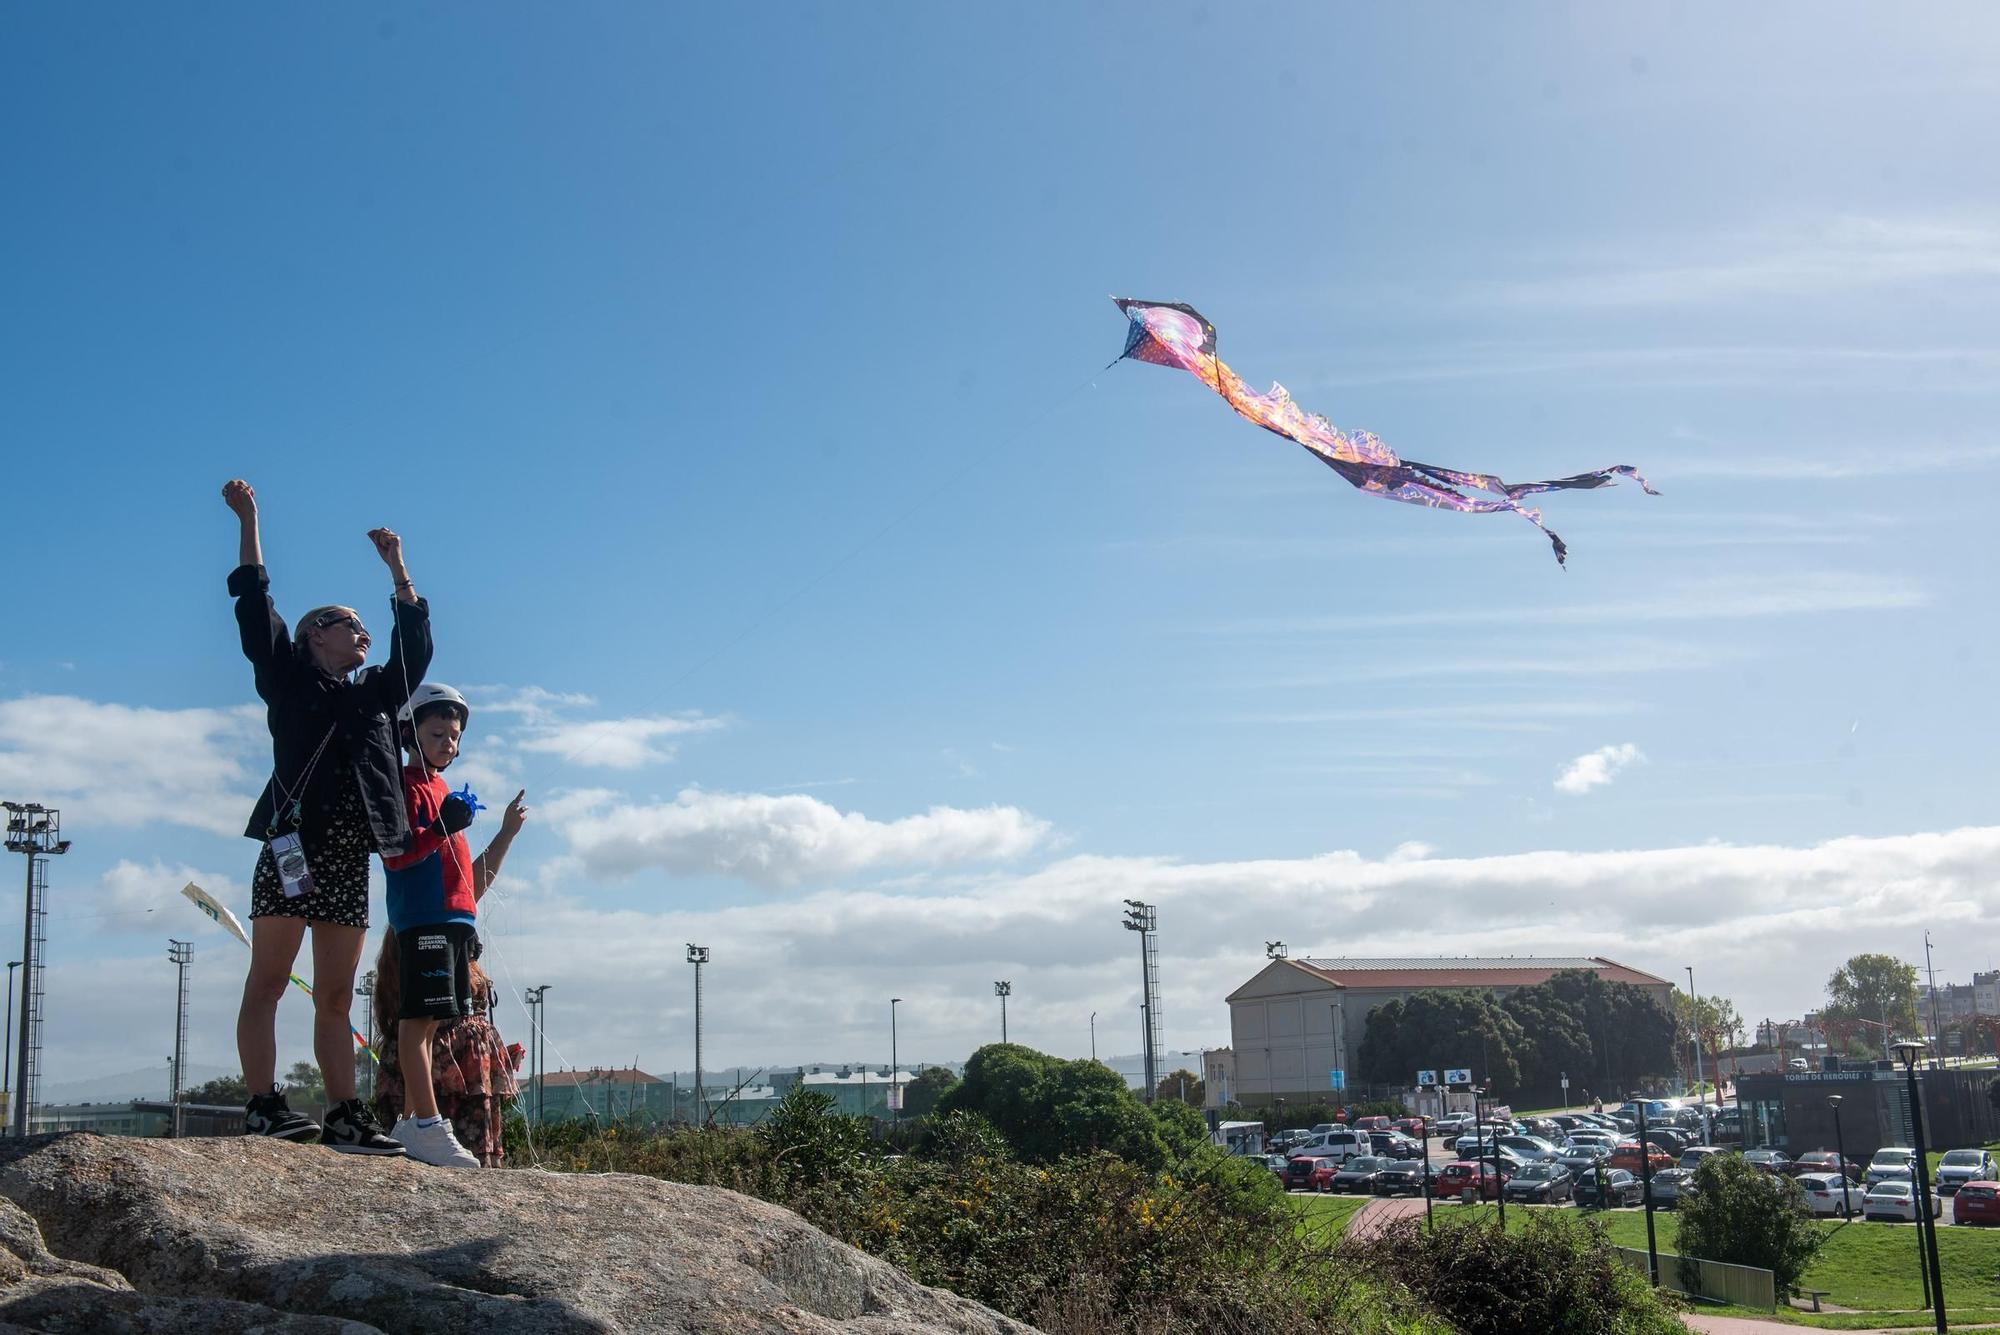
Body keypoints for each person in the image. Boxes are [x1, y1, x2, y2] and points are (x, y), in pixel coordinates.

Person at [224, 479, 427, 1153]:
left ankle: (345, 1115)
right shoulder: (287, 677)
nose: (363, 632)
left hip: (346, 857)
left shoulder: (374, 694)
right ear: (315, 634)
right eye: (349, 623)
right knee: (269, 981)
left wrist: (399, 572)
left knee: (336, 996)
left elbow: (414, 652)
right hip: (293, 847)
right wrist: (250, 519)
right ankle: (263, 1105)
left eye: (366, 625)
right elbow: (255, 606)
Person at [378, 681, 528, 1166]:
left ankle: (410, 1121)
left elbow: (467, 876)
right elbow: (396, 856)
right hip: (425, 919)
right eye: (438, 733)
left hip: (455, 920)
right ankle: (426, 1123)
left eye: (455, 736)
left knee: (433, 1022)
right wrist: (442, 826)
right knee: (417, 1022)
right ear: (410, 734)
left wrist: (502, 832)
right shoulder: (403, 786)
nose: (449, 743)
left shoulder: (439, 788)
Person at [370, 943, 523, 1167]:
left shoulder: (444, 948)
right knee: (441, 1152)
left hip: (462, 1066)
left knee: (468, 1155)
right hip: (442, 1064)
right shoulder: (420, 948)